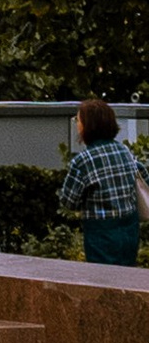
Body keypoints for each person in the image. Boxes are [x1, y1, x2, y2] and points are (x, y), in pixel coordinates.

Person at [57, 103, 149, 268]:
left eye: (78, 120)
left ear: (88, 125)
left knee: (103, 279)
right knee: (126, 276)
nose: (77, 124)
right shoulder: (124, 151)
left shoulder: (83, 161)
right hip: (129, 230)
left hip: (101, 235)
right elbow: (143, 176)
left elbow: (68, 201)